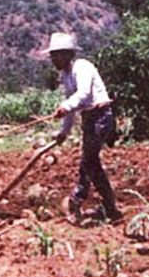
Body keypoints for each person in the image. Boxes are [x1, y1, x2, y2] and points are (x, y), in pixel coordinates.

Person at [43, 32, 122, 224]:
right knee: (90, 163)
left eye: (55, 55)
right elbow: (71, 109)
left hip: (101, 116)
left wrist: (66, 106)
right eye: (52, 56)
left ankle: (77, 201)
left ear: (66, 54)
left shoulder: (82, 67)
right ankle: (110, 208)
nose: (53, 60)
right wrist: (64, 132)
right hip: (89, 119)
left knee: (89, 162)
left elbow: (84, 95)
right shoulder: (66, 75)